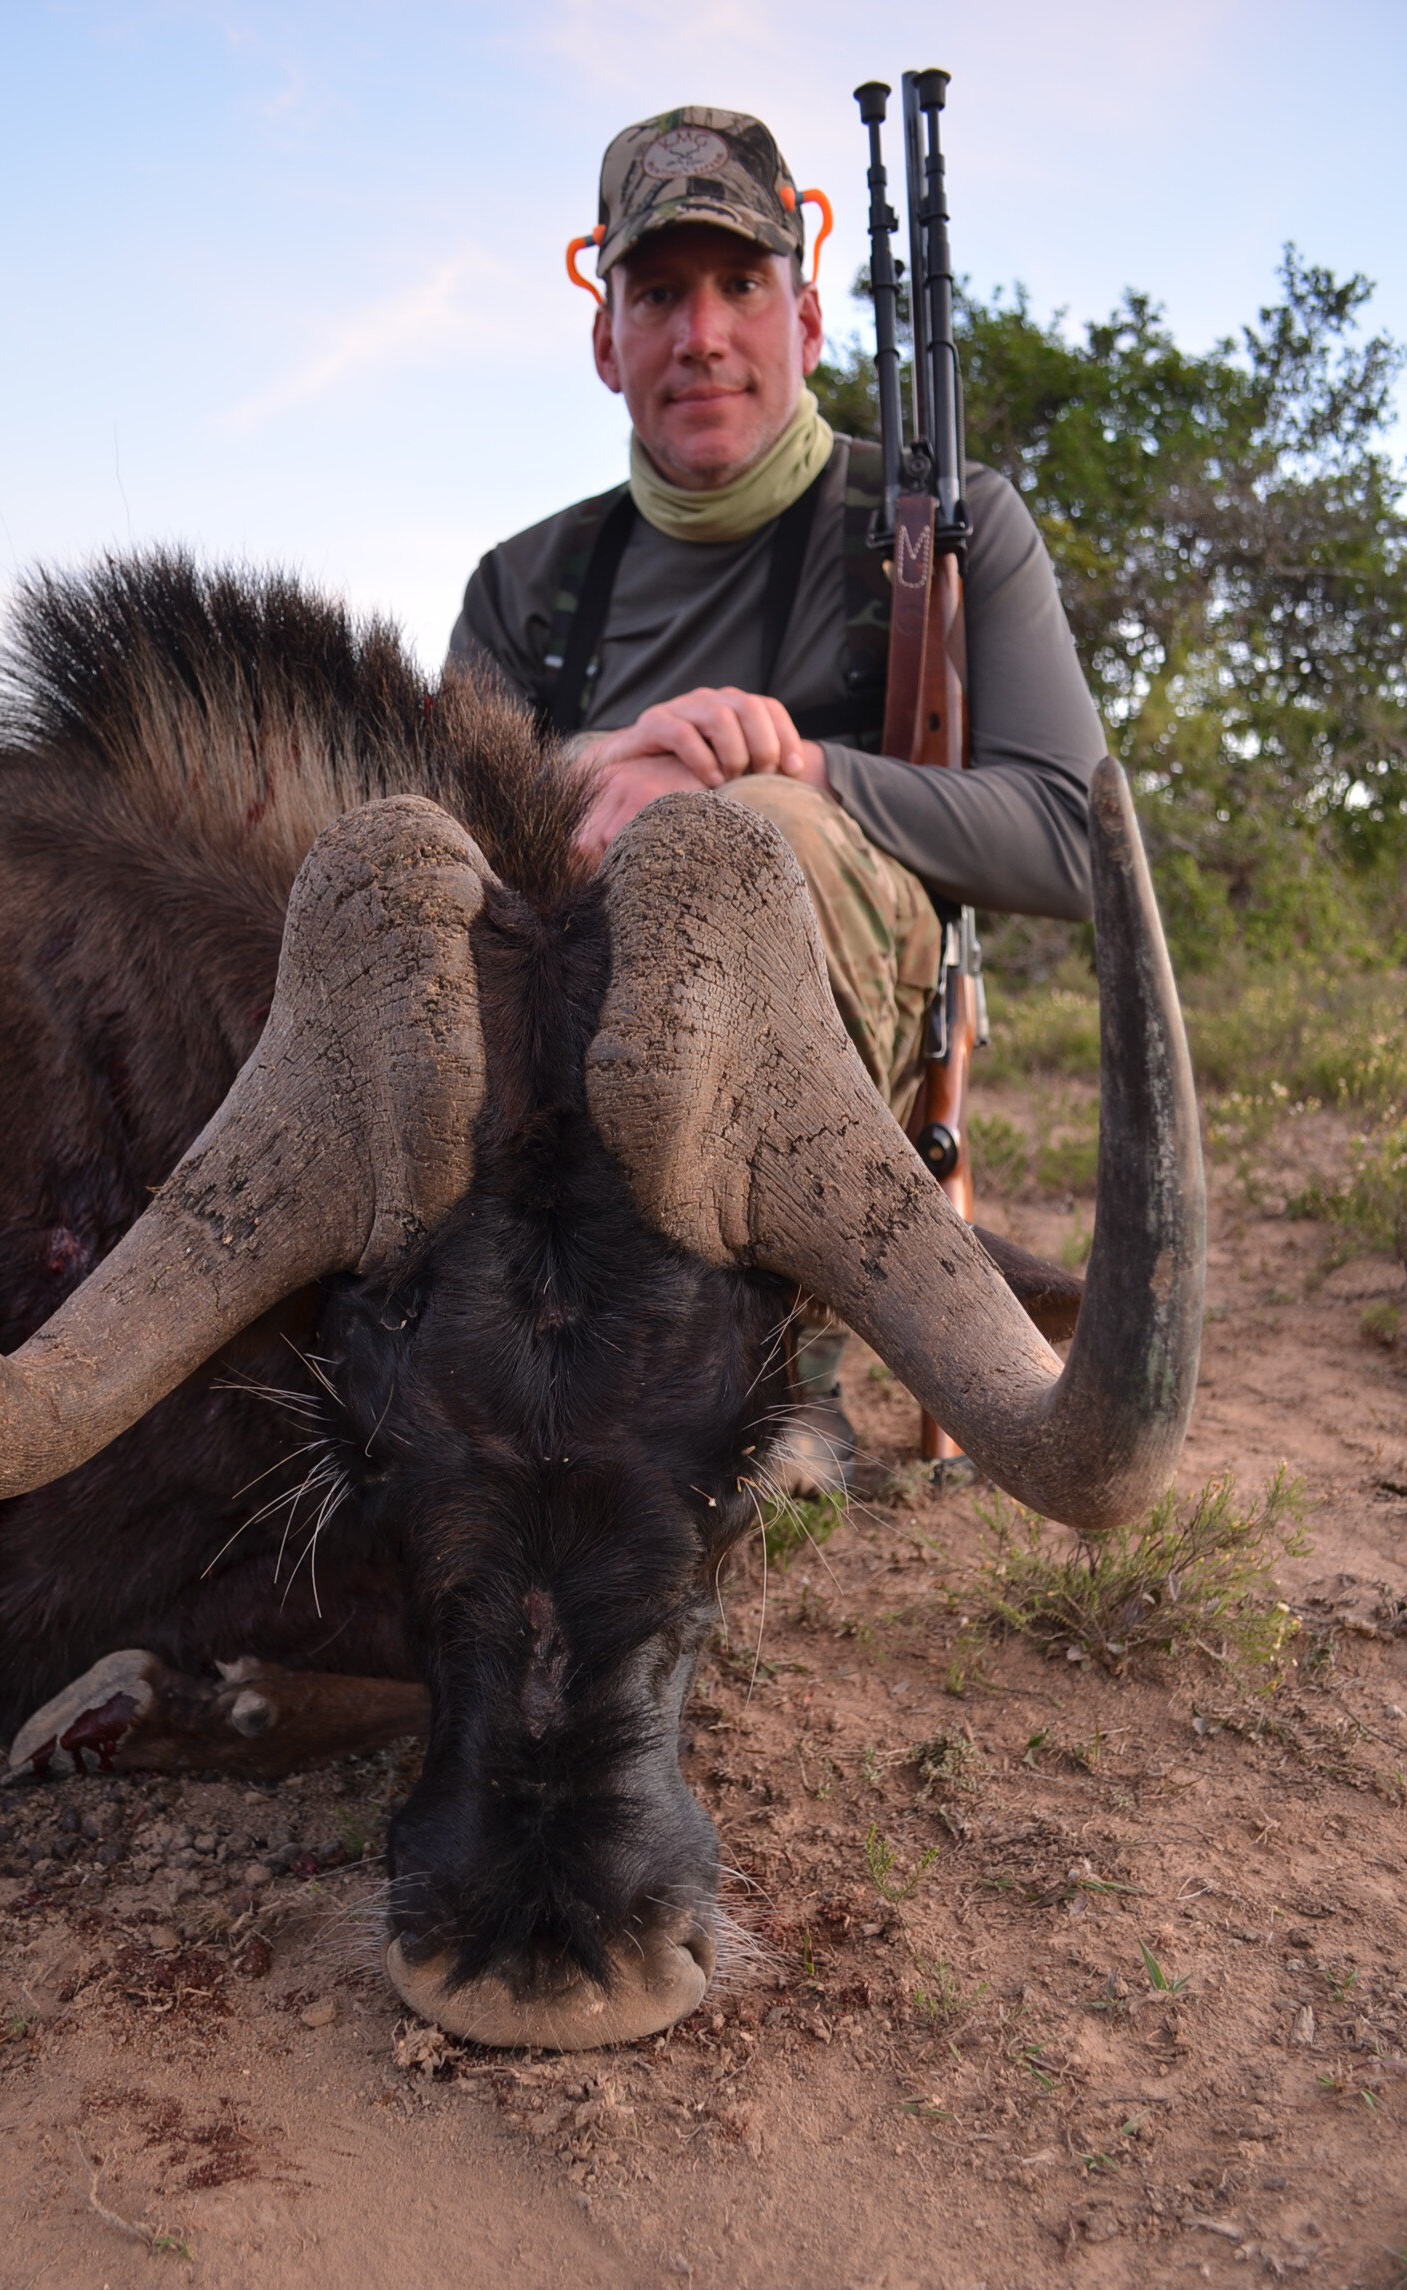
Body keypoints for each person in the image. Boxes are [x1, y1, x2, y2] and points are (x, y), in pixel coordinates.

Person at [448, 106, 1106, 1491]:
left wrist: (800, 772)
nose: (702, 335)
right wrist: (604, 760)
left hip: (837, 992)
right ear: (602, 336)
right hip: (553, 1062)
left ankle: (763, 1373)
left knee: (742, 841)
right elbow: (432, 836)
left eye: (741, 286)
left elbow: (1068, 836)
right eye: (659, 293)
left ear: (806, 322)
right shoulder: (523, 585)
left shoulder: (955, 528)